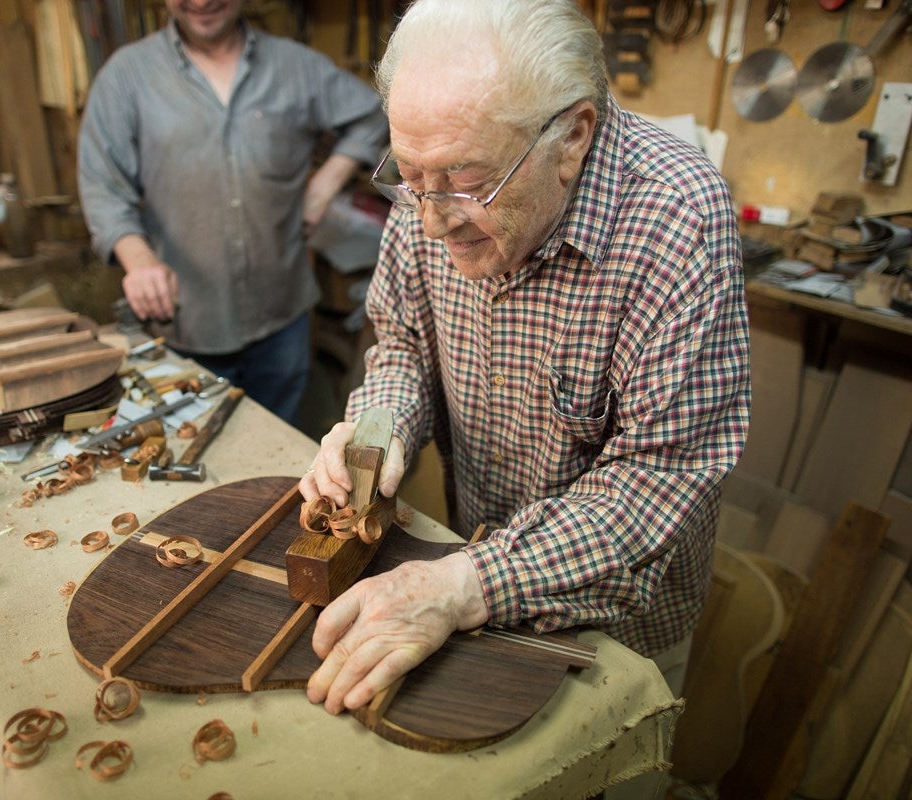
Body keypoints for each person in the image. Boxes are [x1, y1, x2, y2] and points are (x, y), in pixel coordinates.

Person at [300, 0, 750, 736]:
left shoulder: (677, 218)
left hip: (613, 630)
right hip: (459, 585)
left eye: (465, 181)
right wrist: (375, 433)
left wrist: (465, 584)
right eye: (408, 177)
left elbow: (658, 477)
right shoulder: (434, 185)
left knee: (597, 767)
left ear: (571, 138)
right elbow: (403, 345)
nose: (431, 220)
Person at [78, 0, 388, 424]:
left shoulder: (296, 67)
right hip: (187, 323)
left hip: (283, 316)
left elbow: (373, 113)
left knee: (275, 442)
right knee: (195, 448)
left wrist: (325, 185)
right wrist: (139, 259)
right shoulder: (127, 75)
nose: (201, 1)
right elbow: (102, 185)